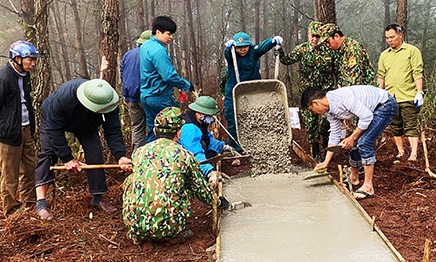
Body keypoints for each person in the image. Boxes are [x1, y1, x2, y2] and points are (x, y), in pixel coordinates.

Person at [122, 107, 229, 243]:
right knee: (188, 183)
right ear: (179, 133)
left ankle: (139, 230)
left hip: (133, 225)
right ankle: (171, 234)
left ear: (155, 131)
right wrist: (218, 201)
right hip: (167, 228)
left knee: (132, 180)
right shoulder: (184, 155)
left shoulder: (139, 153)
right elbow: (201, 190)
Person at [34, 78, 132, 221]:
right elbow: (54, 131)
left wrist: (120, 155)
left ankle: (97, 197)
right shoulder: (63, 98)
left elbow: (113, 130)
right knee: (48, 154)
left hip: (87, 124)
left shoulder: (109, 101)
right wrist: (67, 158)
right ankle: (41, 203)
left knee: (95, 152)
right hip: (55, 121)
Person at [301, 86, 397, 199]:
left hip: (385, 105)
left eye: (311, 109)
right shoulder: (330, 111)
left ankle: (368, 187)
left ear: (315, 103)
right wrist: (326, 161)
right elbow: (335, 134)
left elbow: (366, 117)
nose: (314, 113)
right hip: (373, 110)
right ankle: (353, 178)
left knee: (364, 142)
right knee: (355, 142)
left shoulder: (342, 99)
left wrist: (352, 137)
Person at [277, 21, 335, 161]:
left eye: (317, 36)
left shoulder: (329, 50)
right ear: (308, 35)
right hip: (308, 94)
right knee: (311, 123)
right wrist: (280, 51)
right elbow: (287, 60)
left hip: (325, 93)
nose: (315, 39)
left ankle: (327, 147)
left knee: (327, 121)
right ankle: (315, 150)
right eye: (312, 36)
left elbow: (337, 69)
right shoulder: (302, 49)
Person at [223, 31, 283, 154]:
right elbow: (227, 54)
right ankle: (236, 150)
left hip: (252, 92)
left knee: (255, 118)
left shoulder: (253, 52)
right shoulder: (232, 54)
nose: (242, 50)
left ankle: (256, 146)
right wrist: (228, 49)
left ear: (249, 46)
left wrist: (272, 41)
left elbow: (262, 47)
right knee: (233, 121)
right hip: (234, 91)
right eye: (239, 47)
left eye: (245, 47)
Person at [0, 40, 39, 216]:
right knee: (10, 175)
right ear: (17, 58)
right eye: (30, 60)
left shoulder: (24, 75)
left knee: (30, 167)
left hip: (25, 129)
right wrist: (3, 130)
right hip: (9, 134)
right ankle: (11, 211)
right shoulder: (4, 77)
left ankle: (29, 203)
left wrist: (31, 126)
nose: (33, 64)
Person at [140, 16, 193, 143]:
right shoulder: (158, 51)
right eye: (168, 34)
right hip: (160, 97)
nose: (171, 37)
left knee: (154, 130)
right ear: (158, 32)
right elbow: (169, 76)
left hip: (146, 96)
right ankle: (175, 158)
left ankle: (149, 158)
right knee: (172, 130)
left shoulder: (145, 46)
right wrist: (186, 85)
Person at [377, 24, 424, 161]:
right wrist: (380, 95)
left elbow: (417, 72)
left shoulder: (412, 51)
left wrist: (419, 92)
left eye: (392, 37)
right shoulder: (384, 55)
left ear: (400, 35)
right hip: (391, 97)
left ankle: (413, 153)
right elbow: (381, 75)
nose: (389, 40)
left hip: (408, 95)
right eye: (387, 38)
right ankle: (400, 151)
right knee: (395, 126)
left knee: (410, 124)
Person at [178, 96, 235, 188]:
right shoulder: (190, 129)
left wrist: (222, 147)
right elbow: (195, 154)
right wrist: (209, 172)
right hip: (184, 166)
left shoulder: (200, 123)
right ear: (200, 113)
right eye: (209, 115)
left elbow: (208, 140)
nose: (211, 118)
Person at [120, 30, 151, 153]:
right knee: (154, 128)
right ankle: (152, 158)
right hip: (148, 97)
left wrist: (125, 94)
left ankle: (137, 157)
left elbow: (122, 74)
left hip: (131, 97)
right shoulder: (152, 54)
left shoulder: (128, 55)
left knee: (137, 127)